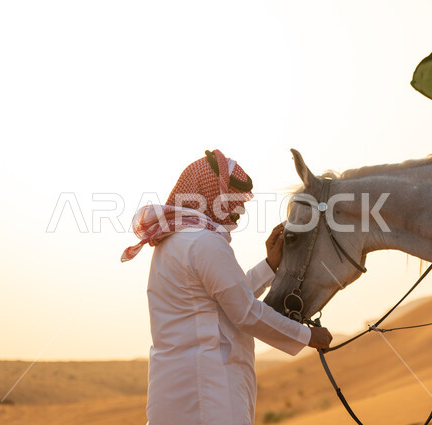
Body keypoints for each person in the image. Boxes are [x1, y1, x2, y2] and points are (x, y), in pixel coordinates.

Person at [122, 149, 332, 425]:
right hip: (210, 392)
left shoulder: (173, 242)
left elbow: (222, 298)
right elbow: (244, 311)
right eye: (233, 199)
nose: (239, 210)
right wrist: (306, 336)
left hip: (174, 394)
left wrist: (270, 265)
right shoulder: (204, 242)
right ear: (209, 195)